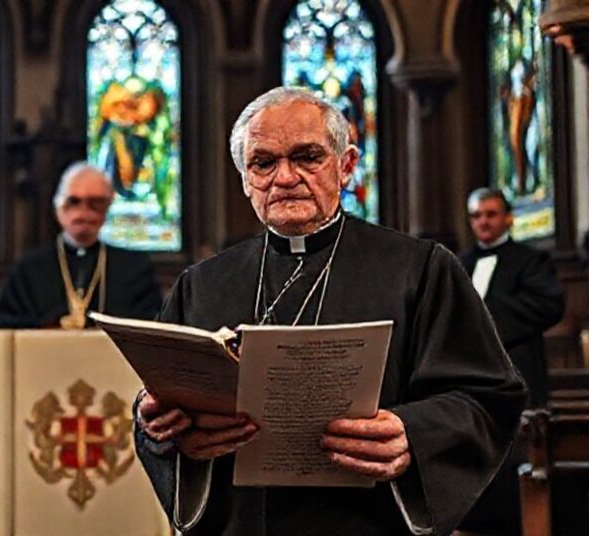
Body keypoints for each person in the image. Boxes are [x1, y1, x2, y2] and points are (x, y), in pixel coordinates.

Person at [134, 87, 527, 535]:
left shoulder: (419, 270)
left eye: (307, 157)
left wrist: (411, 434)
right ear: (245, 179)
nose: (285, 177)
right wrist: (160, 427)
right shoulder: (202, 284)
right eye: (264, 163)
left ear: (346, 166)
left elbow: (488, 399)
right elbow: (157, 407)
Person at [457, 187, 565, 536]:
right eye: (477, 216)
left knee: (514, 464)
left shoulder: (531, 261)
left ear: (507, 217)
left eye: (490, 214)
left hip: (518, 374)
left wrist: (484, 320)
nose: (483, 222)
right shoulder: (459, 263)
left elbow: (549, 305)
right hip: (468, 380)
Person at [0, 162, 163, 328]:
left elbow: (152, 325)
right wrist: (46, 325)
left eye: (95, 203)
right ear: (58, 207)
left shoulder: (133, 268)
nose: (83, 212)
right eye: (73, 202)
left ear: (108, 207)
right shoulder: (30, 267)